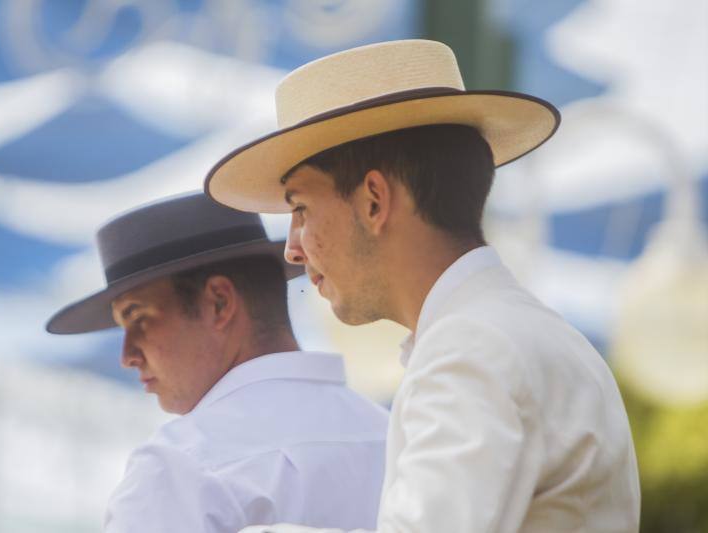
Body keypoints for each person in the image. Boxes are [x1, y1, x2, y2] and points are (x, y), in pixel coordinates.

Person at [204, 40, 640, 532]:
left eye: (300, 208)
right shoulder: (515, 334)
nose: (293, 248)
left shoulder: (471, 350)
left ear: (373, 200)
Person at [45, 192, 389, 533]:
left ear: (219, 302)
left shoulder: (180, 466)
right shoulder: (390, 433)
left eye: (139, 318)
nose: (127, 355)